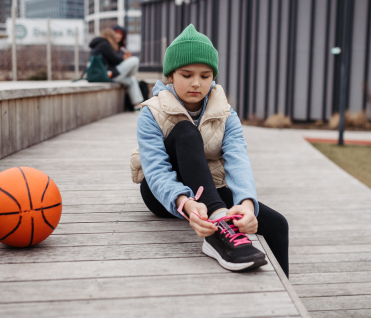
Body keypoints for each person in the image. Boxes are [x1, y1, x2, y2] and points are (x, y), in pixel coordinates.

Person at [130, 24, 289, 274]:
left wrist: (247, 204)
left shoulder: (226, 113)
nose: (196, 83)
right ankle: (217, 233)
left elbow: (238, 159)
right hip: (163, 195)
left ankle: (285, 302)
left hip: (208, 189)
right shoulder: (151, 112)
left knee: (277, 224)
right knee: (185, 131)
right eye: (186, 75)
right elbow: (155, 170)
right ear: (170, 75)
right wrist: (186, 203)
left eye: (205, 76)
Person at [89, 28, 143, 110]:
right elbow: (116, 59)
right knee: (135, 60)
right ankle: (130, 74)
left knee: (131, 80)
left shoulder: (98, 44)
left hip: (106, 73)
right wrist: (124, 56)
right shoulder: (105, 44)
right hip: (110, 74)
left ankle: (137, 105)